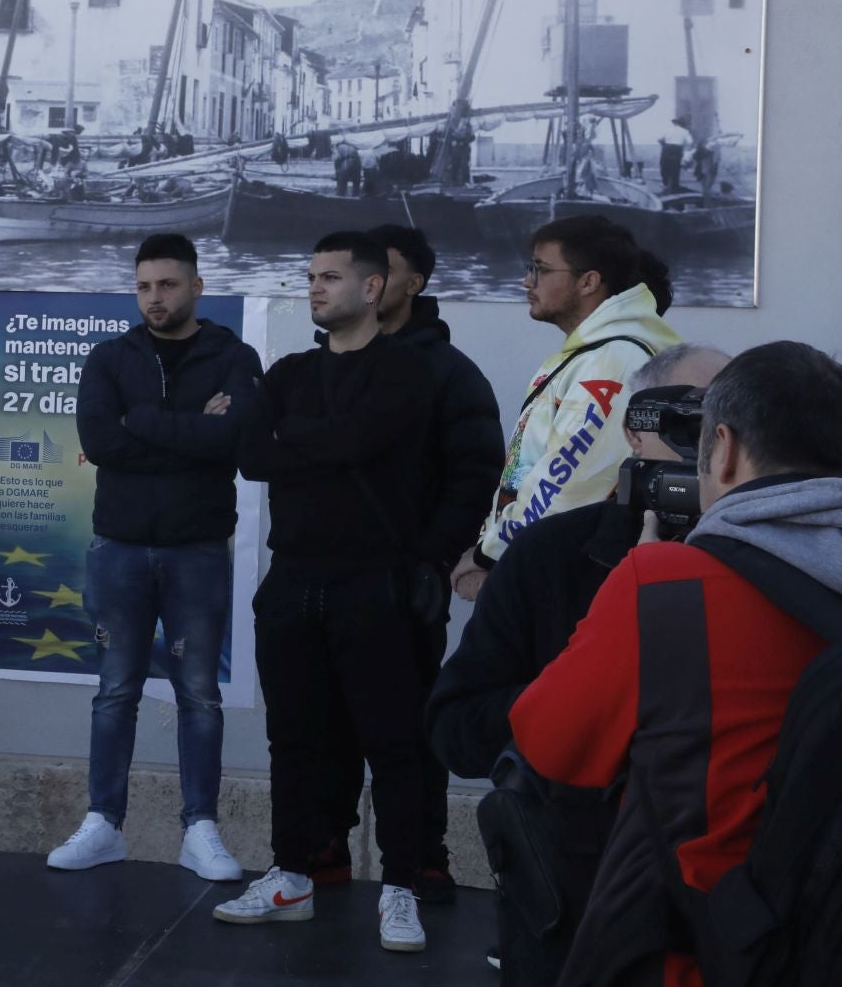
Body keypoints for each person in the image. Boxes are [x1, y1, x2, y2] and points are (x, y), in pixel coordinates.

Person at [508, 341, 842, 986]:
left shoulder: (667, 581)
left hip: (708, 946)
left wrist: (630, 583)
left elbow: (547, 743)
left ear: (724, 448)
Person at [428, 344, 730, 986]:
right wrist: (587, 678)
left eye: (722, 423)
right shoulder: (551, 557)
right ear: (631, 429)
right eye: (680, 420)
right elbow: (455, 729)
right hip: (572, 900)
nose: (701, 444)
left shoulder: (772, 559)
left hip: (731, 907)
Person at [216, 232, 438, 955]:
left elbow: (359, 444)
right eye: (309, 275)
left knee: (393, 742)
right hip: (293, 583)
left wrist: (302, 442)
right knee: (296, 740)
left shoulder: (407, 374)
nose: (314, 287)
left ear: (372, 289)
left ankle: (401, 888)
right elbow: (252, 457)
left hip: (374, 582)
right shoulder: (286, 374)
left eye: (331, 276)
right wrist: (323, 440)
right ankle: (291, 874)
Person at [46, 233, 261, 883]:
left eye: (167, 285)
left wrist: (143, 421)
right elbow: (100, 441)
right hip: (118, 550)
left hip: (197, 551)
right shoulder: (110, 358)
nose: (155, 298)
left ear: (196, 286)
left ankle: (200, 829)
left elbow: (233, 438)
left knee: (198, 694)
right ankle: (103, 824)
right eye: (144, 286)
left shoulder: (235, 355)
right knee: (115, 692)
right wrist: (190, 429)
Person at [303, 226, 505, 899]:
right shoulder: (321, 367)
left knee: (408, 731)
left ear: (409, 283)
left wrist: (429, 562)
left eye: (378, 271)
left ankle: (420, 862)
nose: (362, 282)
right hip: (320, 585)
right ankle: (321, 851)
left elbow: (475, 475)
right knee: (321, 723)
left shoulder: (449, 373)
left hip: (402, 587)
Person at [453, 215, 681, 602]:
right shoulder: (592, 353)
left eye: (540, 270)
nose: (527, 281)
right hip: (549, 565)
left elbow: (566, 480)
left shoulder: (613, 359)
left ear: (588, 281)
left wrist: (490, 555)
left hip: (563, 578)